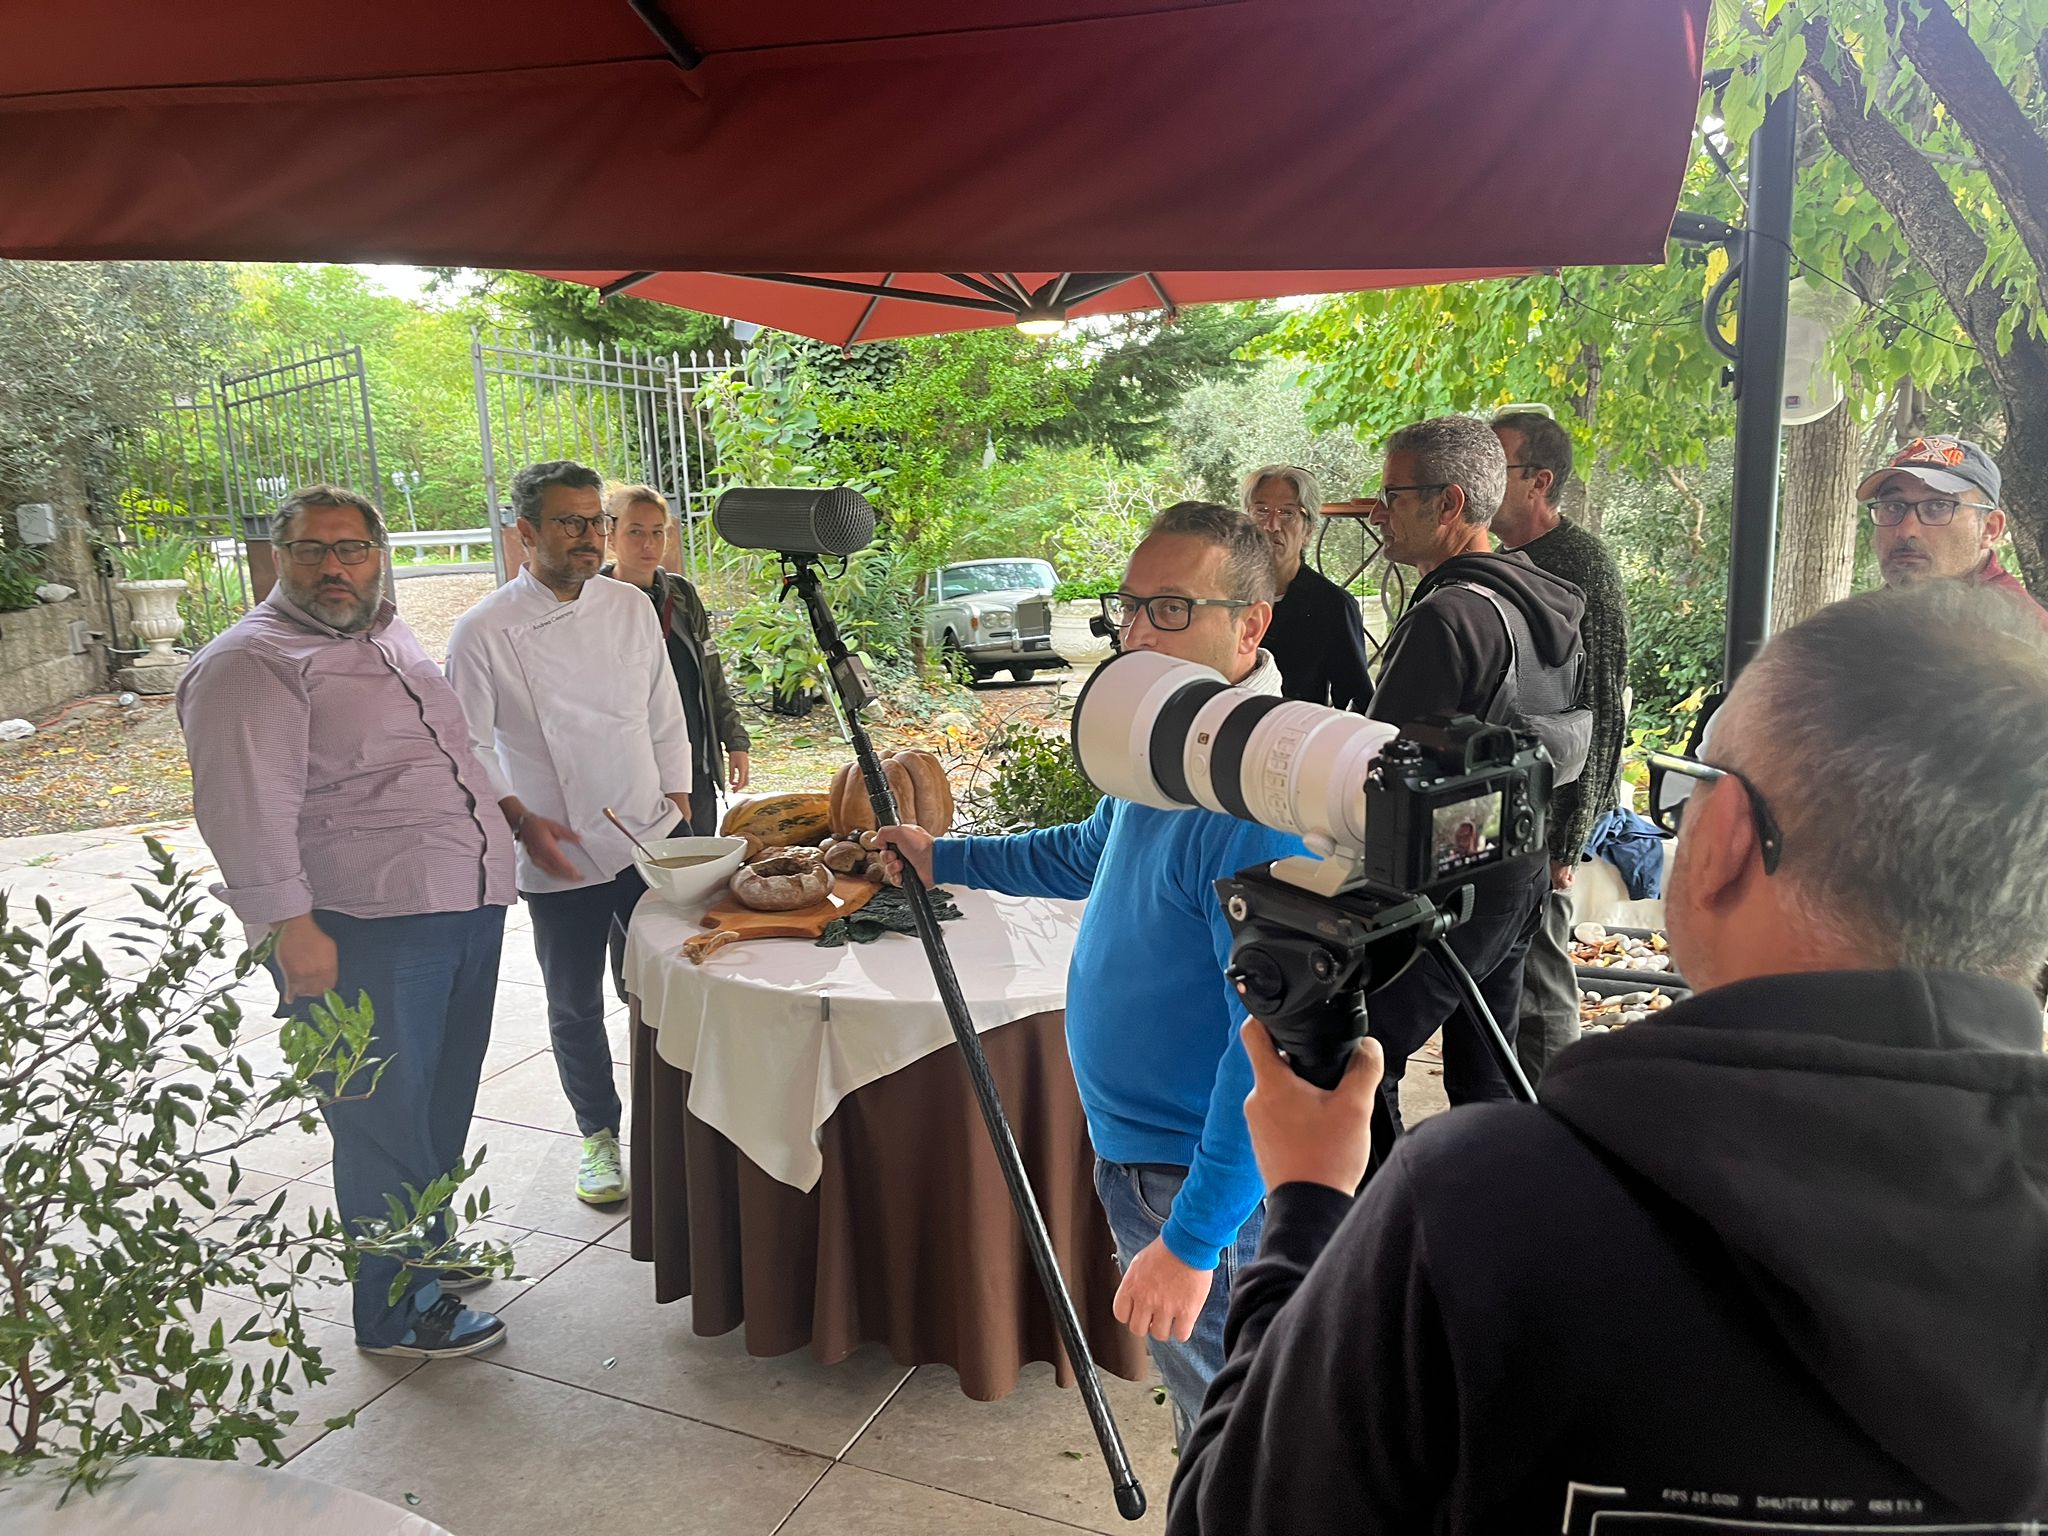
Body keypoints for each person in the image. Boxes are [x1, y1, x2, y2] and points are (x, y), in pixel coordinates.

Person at [1169, 583, 2048, 1531]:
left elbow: (1238, 1514)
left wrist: (1302, 1206)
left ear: (1726, 842)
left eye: (1696, 781)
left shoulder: (1482, 1208)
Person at [875, 502, 1306, 1442]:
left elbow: (1269, 1046)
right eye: (1129, 608)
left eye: (1170, 608)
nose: (1137, 632)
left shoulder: (1264, 794)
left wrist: (1193, 1244)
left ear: (1251, 624)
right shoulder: (1163, 749)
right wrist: (944, 858)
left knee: (1238, 1430)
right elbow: (1083, 852)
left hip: (1198, 1178)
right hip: (1143, 1158)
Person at [177, 485, 516, 1359]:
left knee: (436, 1104)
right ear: (277, 557)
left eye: (353, 548)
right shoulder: (251, 664)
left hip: (456, 905)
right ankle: (397, 1314)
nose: (335, 566)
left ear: (378, 554)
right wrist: (289, 928)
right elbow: (243, 810)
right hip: (360, 925)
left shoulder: (383, 632)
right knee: (379, 1120)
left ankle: (425, 1248)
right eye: (313, 550)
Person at [444, 459, 693, 1208]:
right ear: (525, 533)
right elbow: (470, 745)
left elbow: (661, 707)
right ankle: (597, 1134)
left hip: (645, 831)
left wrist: (677, 795)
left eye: (596, 522)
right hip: (555, 844)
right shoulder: (483, 631)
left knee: (662, 985)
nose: (591, 537)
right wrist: (518, 818)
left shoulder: (628, 607)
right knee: (575, 1002)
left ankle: (675, 1126)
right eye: (570, 523)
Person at [1359, 415, 1586, 1142]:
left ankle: (1383, 1234)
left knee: (1359, 1057)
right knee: (1488, 1074)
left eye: (1393, 495)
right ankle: (1496, 1228)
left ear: (1449, 504)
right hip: (1519, 871)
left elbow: (1381, 773)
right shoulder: (1540, 598)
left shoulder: (1447, 617)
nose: (1377, 511)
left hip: (1450, 891)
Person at [1491, 409, 1630, 1085]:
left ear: (1539, 482)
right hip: (1502, 810)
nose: (1482, 480)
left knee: (1543, 991)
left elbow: (1604, 703)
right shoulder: (1498, 561)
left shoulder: (1582, 565)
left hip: (1552, 818)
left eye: (1499, 466)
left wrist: (1570, 839)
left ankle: (1550, 1136)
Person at [602, 485, 752, 836]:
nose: (648, 544)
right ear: (611, 535)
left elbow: (710, 673)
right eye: (635, 532)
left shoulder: (681, 594)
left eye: (658, 532)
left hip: (693, 762)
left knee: (697, 869)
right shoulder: (594, 601)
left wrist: (735, 741)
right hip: (630, 772)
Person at [1862, 433, 2048, 629]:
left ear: (1989, 529)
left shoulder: (2022, 637)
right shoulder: (1868, 618)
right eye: (1893, 507)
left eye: (1938, 506)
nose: (1906, 530)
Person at [1242, 464, 1374, 713]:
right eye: (1261, 511)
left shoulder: (1331, 605)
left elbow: (1357, 699)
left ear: (1309, 530)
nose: (1271, 525)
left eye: (1287, 513)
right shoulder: (1223, 593)